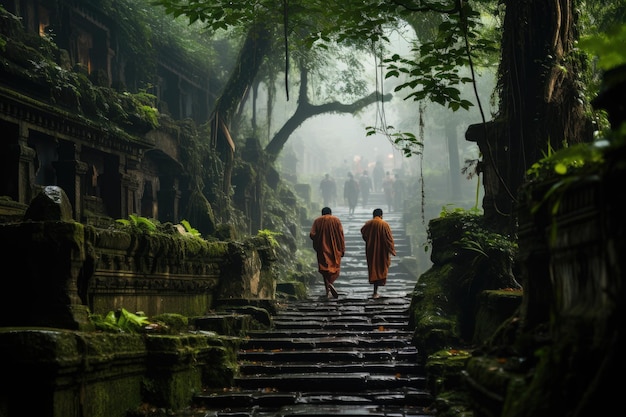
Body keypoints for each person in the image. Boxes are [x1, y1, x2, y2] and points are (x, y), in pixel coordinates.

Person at [310, 206, 345, 299]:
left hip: (322, 249)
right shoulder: (336, 220)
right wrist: (342, 249)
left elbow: (312, 234)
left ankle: (327, 290)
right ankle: (331, 284)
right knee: (334, 269)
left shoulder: (318, 221)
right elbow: (341, 235)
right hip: (335, 250)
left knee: (325, 269)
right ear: (330, 213)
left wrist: (319, 239)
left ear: (322, 213)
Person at [361, 208, 396, 298]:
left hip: (371, 251)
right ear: (381, 215)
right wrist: (392, 249)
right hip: (382, 252)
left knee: (373, 268)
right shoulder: (384, 224)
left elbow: (363, 233)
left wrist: (369, 241)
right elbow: (389, 239)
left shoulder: (368, 224)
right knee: (380, 268)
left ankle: (375, 291)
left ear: (373, 215)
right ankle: (375, 292)